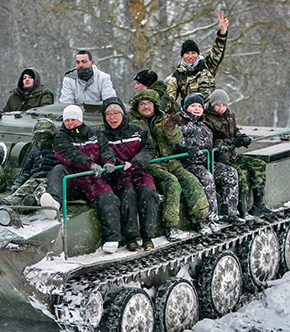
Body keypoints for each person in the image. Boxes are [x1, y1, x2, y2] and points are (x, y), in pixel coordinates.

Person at [128, 89, 211, 238]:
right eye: (142, 104)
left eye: (149, 103)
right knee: (171, 183)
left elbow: (176, 140)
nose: (146, 107)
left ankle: (200, 219)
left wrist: (170, 128)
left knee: (192, 181)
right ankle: (171, 225)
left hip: (171, 160)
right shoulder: (131, 122)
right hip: (151, 163)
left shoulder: (164, 119)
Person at [40, 105, 122, 254]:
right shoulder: (61, 137)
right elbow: (69, 154)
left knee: (108, 199)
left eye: (73, 119)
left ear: (80, 119)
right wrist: (88, 163)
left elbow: (105, 150)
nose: (70, 123)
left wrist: (109, 162)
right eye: (67, 120)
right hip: (73, 176)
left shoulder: (95, 134)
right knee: (57, 171)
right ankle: (54, 202)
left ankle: (112, 238)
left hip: (93, 178)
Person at [167, 92, 244, 226]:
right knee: (207, 178)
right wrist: (187, 149)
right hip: (188, 163)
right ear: (186, 107)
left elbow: (210, 142)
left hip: (206, 161)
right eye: (193, 106)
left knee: (230, 173)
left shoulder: (203, 124)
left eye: (199, 106)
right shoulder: (181, 123)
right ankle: (210, 216)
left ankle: (228, 211)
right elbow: (174, 142)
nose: (197, 109)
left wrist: (218, 145)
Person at [100, 97, 159, 251]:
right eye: (109, 114)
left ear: (123, 114)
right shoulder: (102, 136)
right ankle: (131, 236)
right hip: (118, 174)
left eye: (116, 113)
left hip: (138, 170)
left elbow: (149, 148)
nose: (112, 118)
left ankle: (148, 236)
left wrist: (138, 161)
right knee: (127, 195)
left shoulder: (137, 131)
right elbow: (102, 153)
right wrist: (118, 163)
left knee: (148, 193)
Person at [204, 89, 272, 216]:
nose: (221, 108)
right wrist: (224, 143)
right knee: (239, 175)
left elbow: (235, 132)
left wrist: (243, 138)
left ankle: (259, 203)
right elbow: (209, 140)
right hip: (219, 159)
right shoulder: (207, 119)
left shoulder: (229, 116)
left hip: (232, 156)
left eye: (223, 105)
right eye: (218, 105)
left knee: (258, 164)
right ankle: (242, 209)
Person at [0, 119, 59, 206]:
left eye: (45, 135)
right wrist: (18, 182)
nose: (42, 138)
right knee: (24, 189)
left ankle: (33, 202)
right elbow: (26, 170)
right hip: (34, 178)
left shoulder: (57, 150)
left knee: (41, 191)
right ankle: (7, 201)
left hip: (50, 179)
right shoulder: (34, 151)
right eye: (39, 135)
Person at [165, 11, 229, 109]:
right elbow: (169, 98)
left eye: (193, 53)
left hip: (210, 112)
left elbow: (217, 52)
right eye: (187, 53)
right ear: (182, 56)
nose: (190, 56)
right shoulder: (177, 75)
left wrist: (222, 33)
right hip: (190, 113)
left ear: (198, 54)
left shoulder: (207, 65)